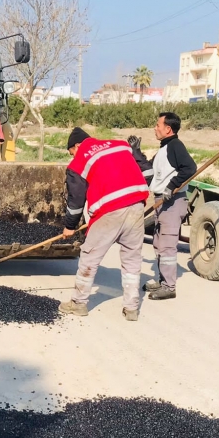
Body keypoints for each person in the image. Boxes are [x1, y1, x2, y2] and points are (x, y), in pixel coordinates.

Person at [58, 127, 150, 321]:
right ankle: (132, 308)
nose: (72, 157)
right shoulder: (121, 145)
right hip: (137, 205)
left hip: (110, 210)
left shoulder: (79, 161)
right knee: (132, 259)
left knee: (89, 256)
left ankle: (78, 303)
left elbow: (76, 201)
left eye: (71, 152)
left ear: (76, 146)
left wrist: (70, 226)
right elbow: (147, 172)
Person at [146, 112, 197, 301]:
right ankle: (162, 280)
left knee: (167, 245)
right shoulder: (164, 148)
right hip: (162, 201)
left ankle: (169, 287)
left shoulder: (175, 146)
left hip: (172, 202)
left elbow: (190, 168)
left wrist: (171, 186)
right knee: (159, 243)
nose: (155, 128)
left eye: (158, 125)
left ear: (168, 129)